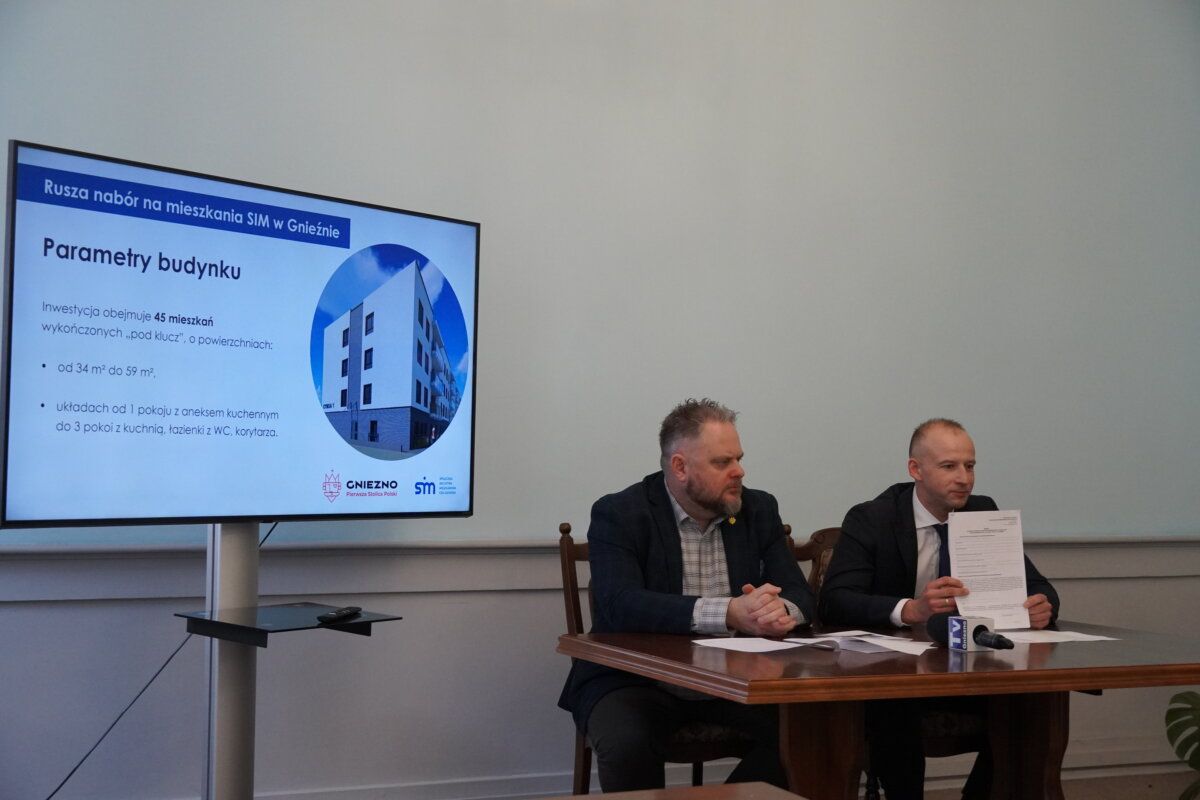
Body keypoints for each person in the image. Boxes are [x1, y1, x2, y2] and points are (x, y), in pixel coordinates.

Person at [557, 398, 815, 792]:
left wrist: (778, 610)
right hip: (637, 680)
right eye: (722, 462)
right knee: (627, 743)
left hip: (736, 681)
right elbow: (620, 603)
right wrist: (729, 612)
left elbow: (800, 593)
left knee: (811, 732)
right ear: (680, 467)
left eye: (739, 459)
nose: (739, 471)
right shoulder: (621, 513)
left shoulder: (758, 509)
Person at [818, 418, 1060, 800]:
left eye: (970, 465)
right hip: (894, 674)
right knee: (895, 709)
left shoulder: (982, 512)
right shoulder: (873, 518)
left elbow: (1040, 587)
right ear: (915, 469)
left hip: (966, 667)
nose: (964, 478)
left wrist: (1042, 607)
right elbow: (835, 599)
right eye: (949, 466)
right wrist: (910, 610)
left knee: (1029, 703)